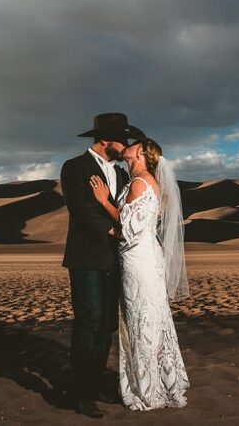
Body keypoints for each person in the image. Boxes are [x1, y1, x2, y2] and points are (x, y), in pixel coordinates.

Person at [89, 137, 190, 411]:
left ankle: (148, 388)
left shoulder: (138, 183)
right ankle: (159, 381)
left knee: (140, 321)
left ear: (142, 154)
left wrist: (103, 201)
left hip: (137, 260)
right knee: (149, 319)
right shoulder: (146, 181)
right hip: (145, 258)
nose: (128, 145)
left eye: (133, 145)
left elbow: (127, 227)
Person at [61, 112, 146, 418]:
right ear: (105, 139)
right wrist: (115, 230)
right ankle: (81, 393)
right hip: (87, 258)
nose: (125, 147)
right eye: (122, 140)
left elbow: (125, 209)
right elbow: (82, 208)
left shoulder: (122, 175)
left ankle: (93, 384)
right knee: (89, 323)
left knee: (106, 326)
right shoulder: (74, 167)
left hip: (117, 260)